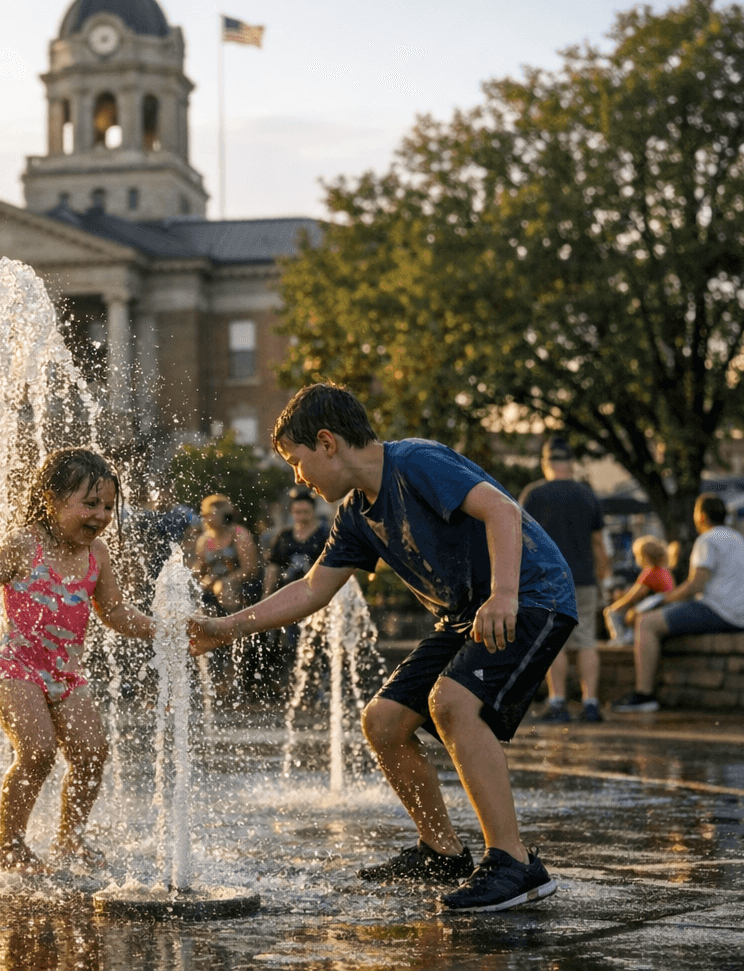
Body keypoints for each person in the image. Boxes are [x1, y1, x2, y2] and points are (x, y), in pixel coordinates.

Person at [188, 383, 576, 913]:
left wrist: (504, 594)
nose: (297, 478)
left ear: (327, 443)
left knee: (453, 705)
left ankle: (515, 863)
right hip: (464, 615)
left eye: (296, 463)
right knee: (384, 721)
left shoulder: (415, 462)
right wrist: (227, 626)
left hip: (531, 594)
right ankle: (442, 850)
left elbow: (501, 511)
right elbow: (311, 589)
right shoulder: (355, 514)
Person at [0, 448, 155, 873]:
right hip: (13, 665)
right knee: (38, 751)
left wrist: (164, 629)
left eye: (107, 507)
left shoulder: (97, 555)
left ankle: (70, 840)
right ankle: (7, 844)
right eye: (90, 504)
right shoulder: (24, 544)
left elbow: (114, 612)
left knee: (92, 752)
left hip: (64, 671)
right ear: (51, 500)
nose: (100, 515)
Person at [613, 494, 744, 713]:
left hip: (720, 611)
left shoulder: (707, 540)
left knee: (646, 623)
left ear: (701, 516)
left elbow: (695, 586)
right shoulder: (736, 537)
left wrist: (657, 602)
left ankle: (644, 695)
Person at [518, 437, 611, 724]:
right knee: (586, 642)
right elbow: (598, 543)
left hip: (548, 580)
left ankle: (558, 702)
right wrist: (603, 577)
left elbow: (521, 540)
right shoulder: (587, 494)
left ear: (546, 463)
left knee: (553, 641)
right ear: (570, 462)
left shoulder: (533, 495)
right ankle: (591, 703)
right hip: (583, 579)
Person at [189, 494, 260, 615]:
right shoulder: (204, 540)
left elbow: (250, 569)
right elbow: (201, 569)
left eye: (210, 514)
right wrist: (204, 579)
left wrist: (228, 580)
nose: (206, 518)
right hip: (214, 584)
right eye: (205, 515)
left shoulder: (238, 534)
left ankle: (235, 625)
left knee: (224, 588)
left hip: (240, 583)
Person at [602, 536, 674, 646]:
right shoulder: (664, 571)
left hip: (653, 609)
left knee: (612, 612)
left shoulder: (649, 573)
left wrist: (616, 606)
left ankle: (621, 639)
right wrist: (623, 594)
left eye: (637, 556)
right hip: (662, 606)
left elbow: (634, 595)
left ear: (644, 556)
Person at [263, 484, 329, 597]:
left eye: (305, 512)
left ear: (313, 510)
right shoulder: (284, 536)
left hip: (315, 592)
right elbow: (273, 567)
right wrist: (267, 593)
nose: (301, 516)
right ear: (292, 512)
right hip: (286, 589)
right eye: (298, 512)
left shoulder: (325, 535)